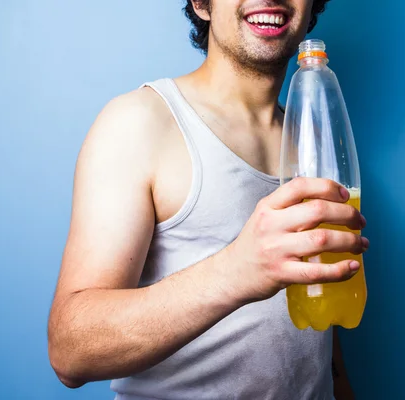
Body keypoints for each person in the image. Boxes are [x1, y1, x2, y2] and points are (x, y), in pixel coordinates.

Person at [47, 1, 369, 399]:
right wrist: (238, 269)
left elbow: (320, 334)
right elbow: (70, 352)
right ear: (202, 3)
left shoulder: (311, 141)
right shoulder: (139, 123)